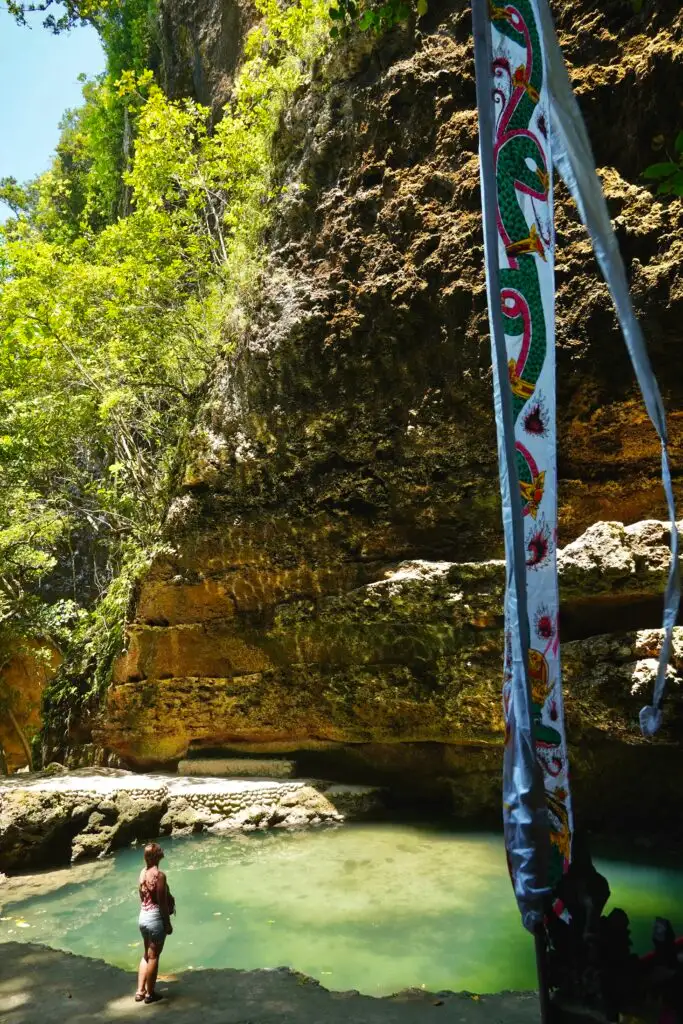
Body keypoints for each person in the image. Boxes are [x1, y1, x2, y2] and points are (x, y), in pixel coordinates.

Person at [135, 842, 173, 1004]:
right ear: (158, 856)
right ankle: (150, 994)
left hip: (143, 916)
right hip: (155, 918)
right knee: (154, 956)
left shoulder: (143, 873)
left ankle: (140, 991)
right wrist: (168, 923)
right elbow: (162, 903)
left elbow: (141, 897)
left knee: (146, 954)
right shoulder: (159, 876)